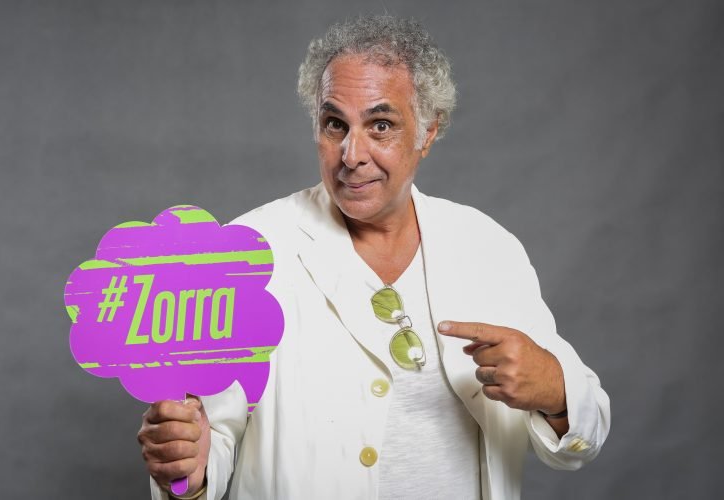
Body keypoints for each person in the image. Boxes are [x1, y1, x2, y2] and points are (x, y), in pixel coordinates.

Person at [137, 15, 610, 500]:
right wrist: (188, 471)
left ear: (427, 132)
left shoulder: (488, 248)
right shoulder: (249, 252)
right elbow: (205, 447)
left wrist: (556, 391)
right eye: (334, 124)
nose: (351, 154)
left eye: (380, 125)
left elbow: (583, 435)